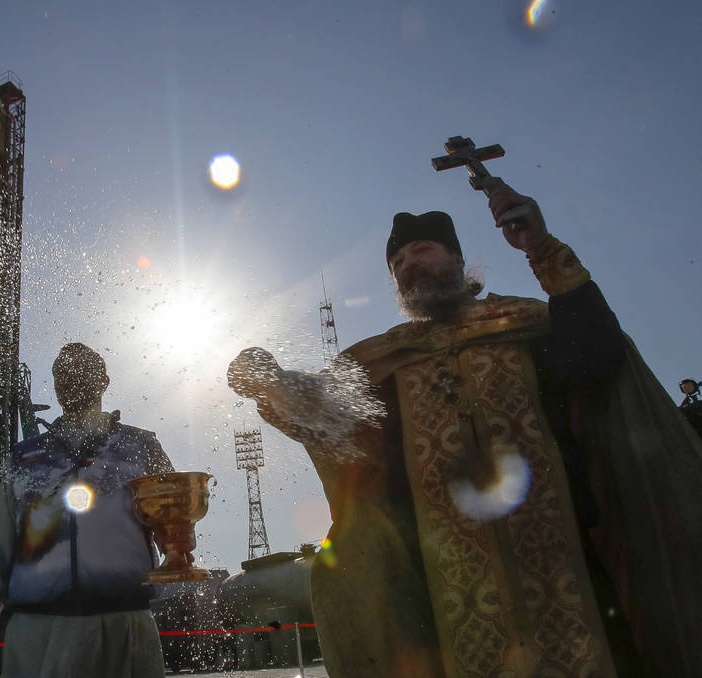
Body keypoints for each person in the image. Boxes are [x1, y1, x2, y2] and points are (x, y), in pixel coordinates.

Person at [228, 185, 702, 677]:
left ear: (457, 259)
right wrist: (269, 379)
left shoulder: (524, 324)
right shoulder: (385, 361)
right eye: (399, 263)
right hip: (445, 581)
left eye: (423, 250)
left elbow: (597, 359)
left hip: (567, 560)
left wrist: (540, 248)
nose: (410, 264)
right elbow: (328, 416)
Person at [0, 342, 174, 678]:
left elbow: (173, 524)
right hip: (36, 633)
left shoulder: (142, 446)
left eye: (82, 368)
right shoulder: (23, 457)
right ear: (55, 383)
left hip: (126, 628)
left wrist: (179, 544)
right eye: (62, 372)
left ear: (105, 380)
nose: (71, 377)